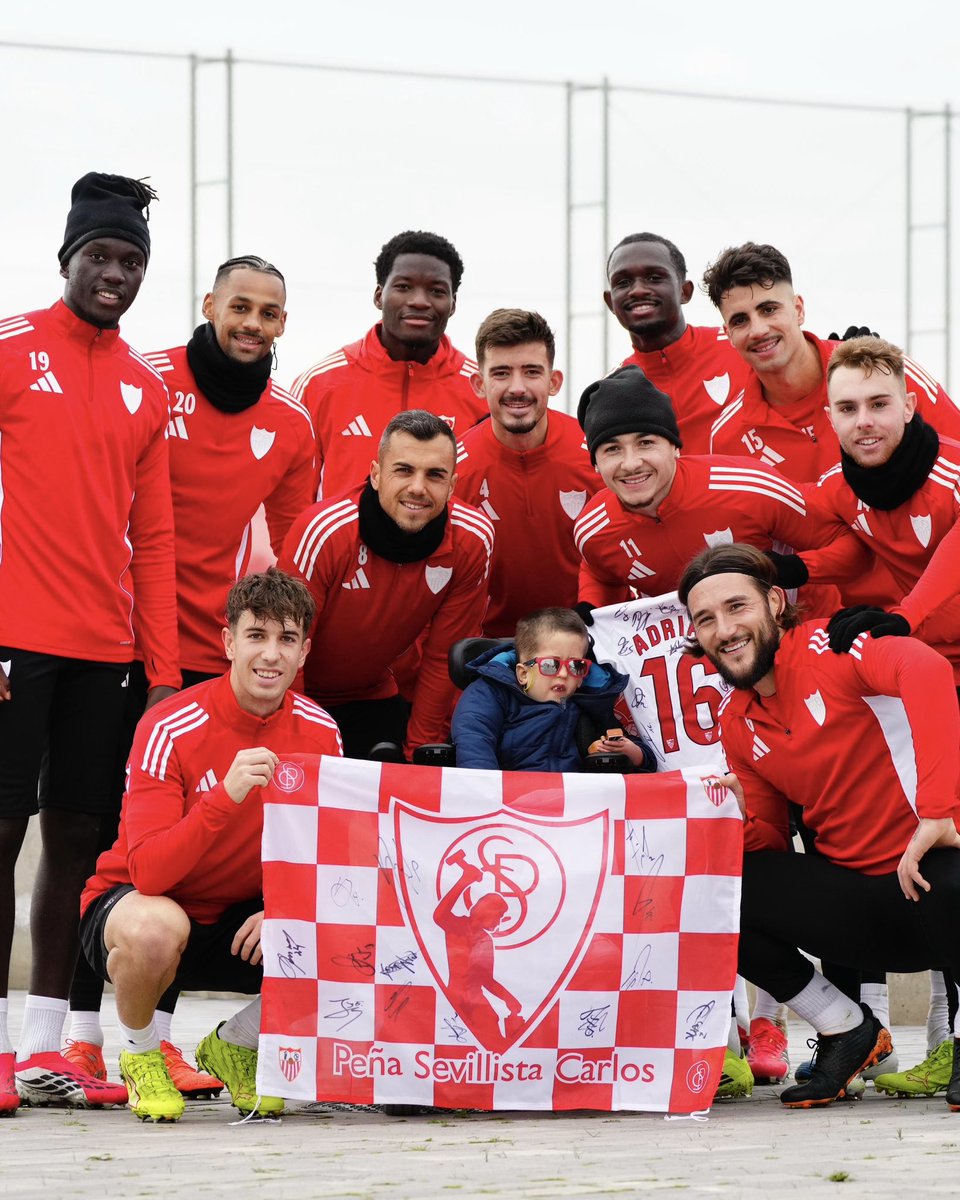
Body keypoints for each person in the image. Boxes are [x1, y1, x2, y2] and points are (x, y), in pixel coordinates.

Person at [61, 254, 317, 1097]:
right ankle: (77, 1037)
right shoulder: (148, 382)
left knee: (191, 846)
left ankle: (163, 1044)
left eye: (269, 313)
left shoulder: (290, 424)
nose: (252, 324)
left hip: (213, 646)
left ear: (283, 324)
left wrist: (271, 657)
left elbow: (293, 553)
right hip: (114, 633)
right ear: (208, 305)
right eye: (239, 306)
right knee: (100, 834)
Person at [0, 173, 179, 1113]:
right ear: (66, 258)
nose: (114, 274)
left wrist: (161, 672)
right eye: (99, 257)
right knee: (2, 835)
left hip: (105, 653)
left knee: (76, 837)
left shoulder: (147, 386)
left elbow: (154, 538)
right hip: (11, 640)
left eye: (131, 261)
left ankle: (43, 1047)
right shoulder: (10, 347)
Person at [677, 542, 960, 1110]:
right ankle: (846, 1029)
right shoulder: (737, 720)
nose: (724, 630)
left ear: (775, 603)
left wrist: (937, 812)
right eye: (706, 619)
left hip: (936, 882)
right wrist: (730, 816)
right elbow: (767, 847)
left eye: (737, 607)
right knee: (718, 891)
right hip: (865, 914)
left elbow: (927, 668)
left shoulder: (833, 645)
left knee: (952, 873)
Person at [79, 570, 342, 1122]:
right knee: (156, 928)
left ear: (304, 652)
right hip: (142, 906)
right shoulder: (169, 724)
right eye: (256, 635)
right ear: (228, 642)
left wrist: (286, 907)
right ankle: (142, 1054)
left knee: (354, 928)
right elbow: (149, 872)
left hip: (240, 922)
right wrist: (224, 797)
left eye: (287, 639)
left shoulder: (322, 732)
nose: (270, 654)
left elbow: (333, 855)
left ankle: (233, 1044)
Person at [279, 410, 494, 761]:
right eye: (404, 470)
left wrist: (419, 751)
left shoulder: (473, 539)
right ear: (376, 475)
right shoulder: (324, 532)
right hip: (296, 694)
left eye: (435, 475)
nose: (418, 488)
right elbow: (284, 647)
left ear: (452, 485)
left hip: (373, 694)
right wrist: (301, 749)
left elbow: (443, 657)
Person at [572, 365, 848, 614]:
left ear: (675, 447)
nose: (631, 463)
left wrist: (795, 569)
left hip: (801, 632)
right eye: (612, 449)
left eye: (646, 443)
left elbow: (845, 541)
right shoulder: (593, 528)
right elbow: (600, 573)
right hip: (694, 648)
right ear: (595, 463)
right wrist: (591, 606)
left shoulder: (746, 486)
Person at [702, 242, 960, 480]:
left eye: (769, 310)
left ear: (798, 310)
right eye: (740, 320)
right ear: (728, 334)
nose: (758, 330)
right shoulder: (728, 437)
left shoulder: (887, 371)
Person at [291, 230, 486, 498]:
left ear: (452, 304)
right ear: (379, 295)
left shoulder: (482, 390)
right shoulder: (318, 384)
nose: (419, 301)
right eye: (404, 287)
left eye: (436, 291)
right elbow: (291, 499)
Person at [455, 309, 601, 636]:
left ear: (554, 381)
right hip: (487, 648)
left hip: (587, 641)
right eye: (501, 373)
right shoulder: (453, 469)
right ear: (479, 384)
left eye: (532, 372)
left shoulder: (597, 454)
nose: (517, 388)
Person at [452, 607, 654, 771]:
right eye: (551, 665)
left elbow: (642, 755)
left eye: (576, 666)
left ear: (582, 679)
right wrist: (490, 793)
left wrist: (636, 755)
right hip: (507, 799)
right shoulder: (489, 693)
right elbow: (474, 746)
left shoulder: (590, 703)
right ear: (523, 673)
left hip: (576, 801)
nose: (564, 674)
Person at [604, 233, 752, 453]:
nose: (638, 290)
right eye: (623, 282)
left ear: (685, 291)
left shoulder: (742, 348)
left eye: (654, 277)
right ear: (610, 302)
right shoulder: (610, 392)